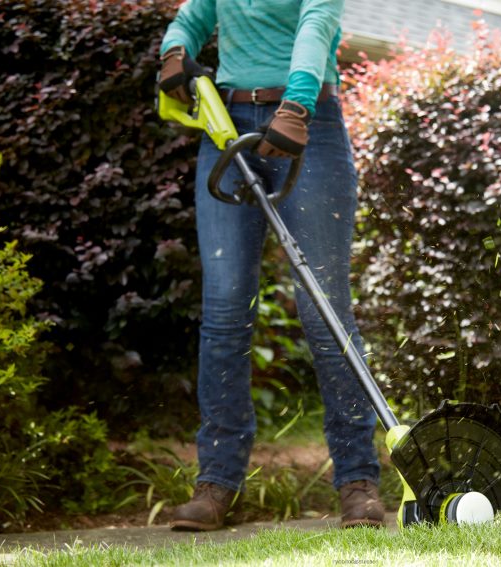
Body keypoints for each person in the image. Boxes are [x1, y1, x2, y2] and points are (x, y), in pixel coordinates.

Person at [158, 0, 384, 531]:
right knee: (224, 309)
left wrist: (296, 103)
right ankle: (216, 483)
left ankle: (358, 480)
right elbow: (192, 17)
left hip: (309, 124)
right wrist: (174, 51)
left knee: (325, 310)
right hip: (227, 125)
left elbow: (316, 25)